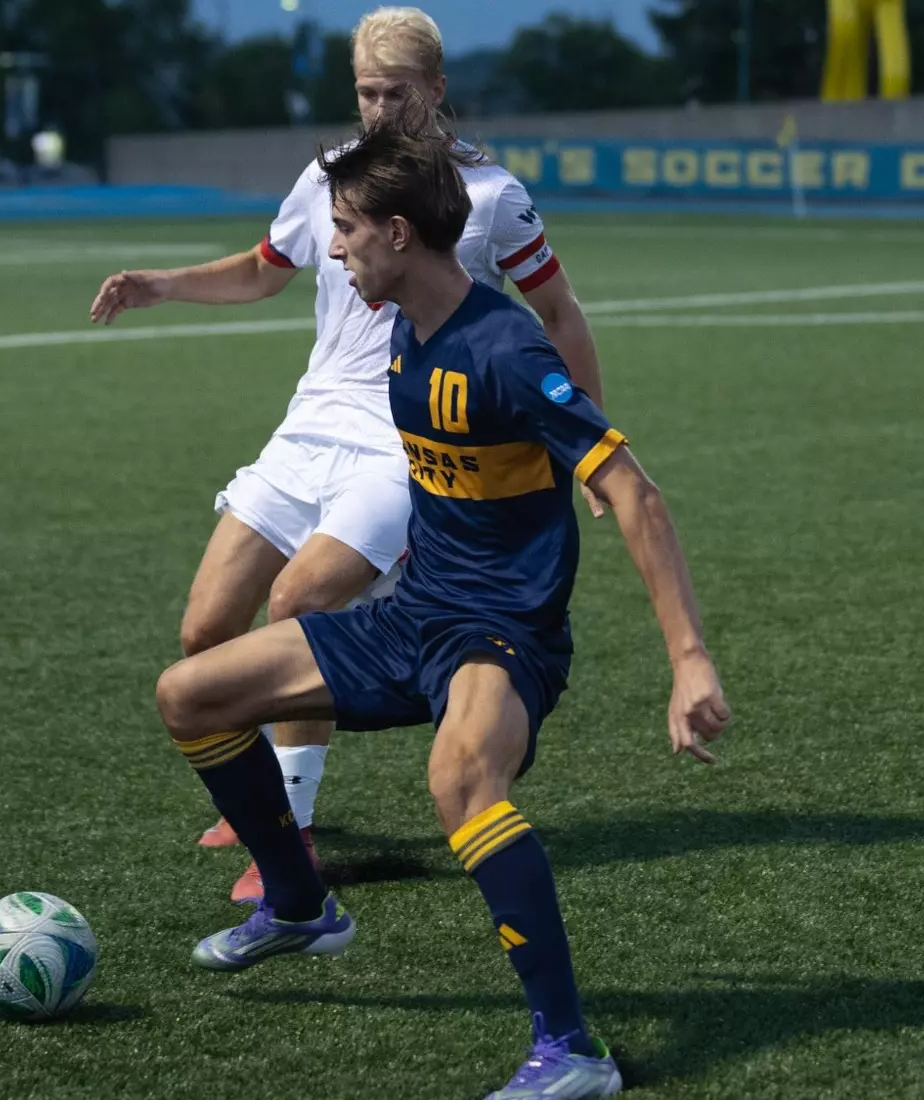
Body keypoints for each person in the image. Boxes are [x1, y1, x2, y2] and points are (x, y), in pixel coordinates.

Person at [150, 104, 731, 1100]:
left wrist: (688, 657)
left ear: (398, 235)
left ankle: (572, 1049)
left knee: (459, 779)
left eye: (345, 231)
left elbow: (632, 486)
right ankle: (298, 902)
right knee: (189, 692)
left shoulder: (503, 351)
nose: (334, 250)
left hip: (503, 636)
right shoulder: (400, 339)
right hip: (413, 616)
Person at [90, 6, 611, 903]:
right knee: (205, 631)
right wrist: (162, 285)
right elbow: (266, 265)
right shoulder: (329, 176)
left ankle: (289, 833)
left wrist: (587, 445)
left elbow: (559, 314)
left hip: (400, 439)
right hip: (307, 428)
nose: (377, 110)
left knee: (301, 601)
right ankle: (260, 797)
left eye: (395, 92)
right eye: (365, 92)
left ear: (436, 91)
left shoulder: (488, 196)